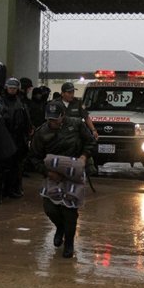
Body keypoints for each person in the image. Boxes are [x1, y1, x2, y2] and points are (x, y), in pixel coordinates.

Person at [29, 100, 95, 259]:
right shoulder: (42, 132)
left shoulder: (76, 125)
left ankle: (69, 243)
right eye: (49, 119)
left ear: (63, 116)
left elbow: (90, 142)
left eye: (55, 119)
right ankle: (60, 227)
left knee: (69, 210)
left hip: (73, 172)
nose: (52, 122)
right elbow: (34, 157)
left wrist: (84, 157)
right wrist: (46, 172)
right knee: (50, 207)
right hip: (52, 174)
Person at [0, 77, 33, 200]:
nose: (12, 90)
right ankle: (3, 189)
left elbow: (27, 122)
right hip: (5, 139)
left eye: (14, 88)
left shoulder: (21, 104)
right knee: (5, 167)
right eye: (10, 88)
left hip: (18, 140)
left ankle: (13, 188)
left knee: (16, 166)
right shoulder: (1, 102)